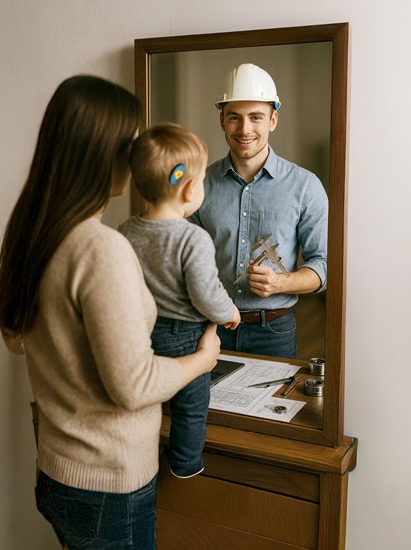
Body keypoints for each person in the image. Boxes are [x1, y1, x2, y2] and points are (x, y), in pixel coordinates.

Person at [0, 75, 221, 549]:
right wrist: (203, 360)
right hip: (106, 481)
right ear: (105, 152)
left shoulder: (38, 232)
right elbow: (132, 385)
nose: (140, 153)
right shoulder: (100, 249)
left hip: (59, 467)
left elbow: (15, 338)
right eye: (132, 142)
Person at [118, 123, 242, 480]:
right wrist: (228, 311)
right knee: (190, 405)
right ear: (190, 189)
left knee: (150, 398)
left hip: (142, 331)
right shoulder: (193, 239)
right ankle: (185, 462)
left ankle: (143, 451)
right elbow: (206, 293)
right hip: (185, 336)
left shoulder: (127, 230)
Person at [188, 63, 328, 358]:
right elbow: (185, 259)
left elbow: (324, 264)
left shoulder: (305, 186)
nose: (244, 129)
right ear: (222, 120)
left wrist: (282, 282)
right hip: (211, 328)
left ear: (273, 119)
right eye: (234, 118)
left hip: (274, 333)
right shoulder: (199, 184)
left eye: (256, 117)